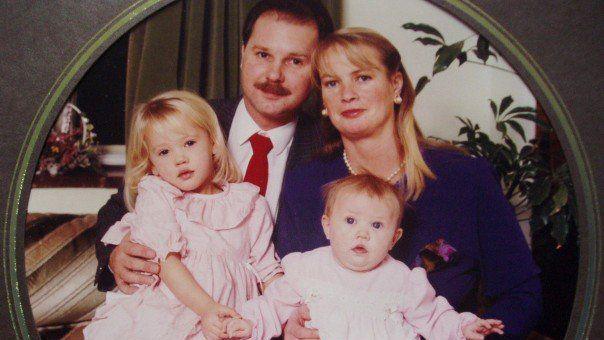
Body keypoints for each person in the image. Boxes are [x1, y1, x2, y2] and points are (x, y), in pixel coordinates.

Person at [274, 28, 542, 339]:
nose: (347, 94)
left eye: (363, 77)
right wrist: (287, 324)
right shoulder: (303, 185)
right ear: (324, 100)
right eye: (333, 83)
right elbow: (283, 290)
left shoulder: (465, 178)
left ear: (396, 85)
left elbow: (522, 295)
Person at [93, 0, 334, 297]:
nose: (274, 74)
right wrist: (115, 255)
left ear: (318, 70)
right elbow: (119, 206)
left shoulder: (329, 148)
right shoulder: (193, 123)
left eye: (295, 61)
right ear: (243, 53)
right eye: (263, 54)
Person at [84, 90, 283, 339]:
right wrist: (207, 309)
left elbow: (268, 270)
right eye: (164, 152)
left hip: (230, 318)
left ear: (212, 143)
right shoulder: (158, 194)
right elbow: (166, 262)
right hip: (171, 315)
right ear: (152, 165)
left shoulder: (250, 202)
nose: (180, 158)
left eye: (189, 143)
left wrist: (288, 309)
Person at [224, 174, 505, 340]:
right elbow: (272, 306)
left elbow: (434, 318)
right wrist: (246, 323)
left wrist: (464, 326)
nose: (362, 234)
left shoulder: (403, 281)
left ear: (394, 239)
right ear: (327, 227)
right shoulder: (308, 268)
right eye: (349, 221)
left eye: (377, 225)